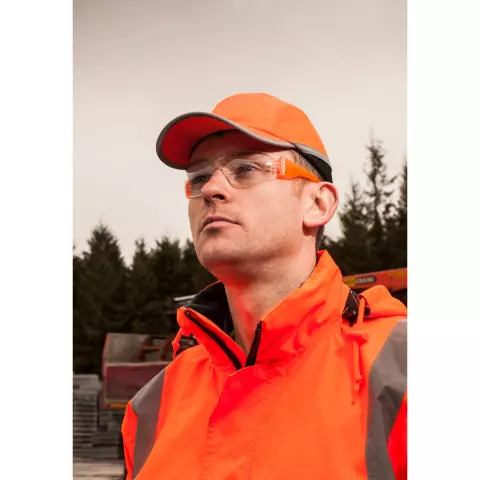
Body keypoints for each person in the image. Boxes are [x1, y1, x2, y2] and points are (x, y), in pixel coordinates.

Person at [121, 93, 407, 480]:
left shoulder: (403, 369)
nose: (211, 189)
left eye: (246, 168)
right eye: (199, 177)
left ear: (318, 204)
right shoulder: (153, 406)